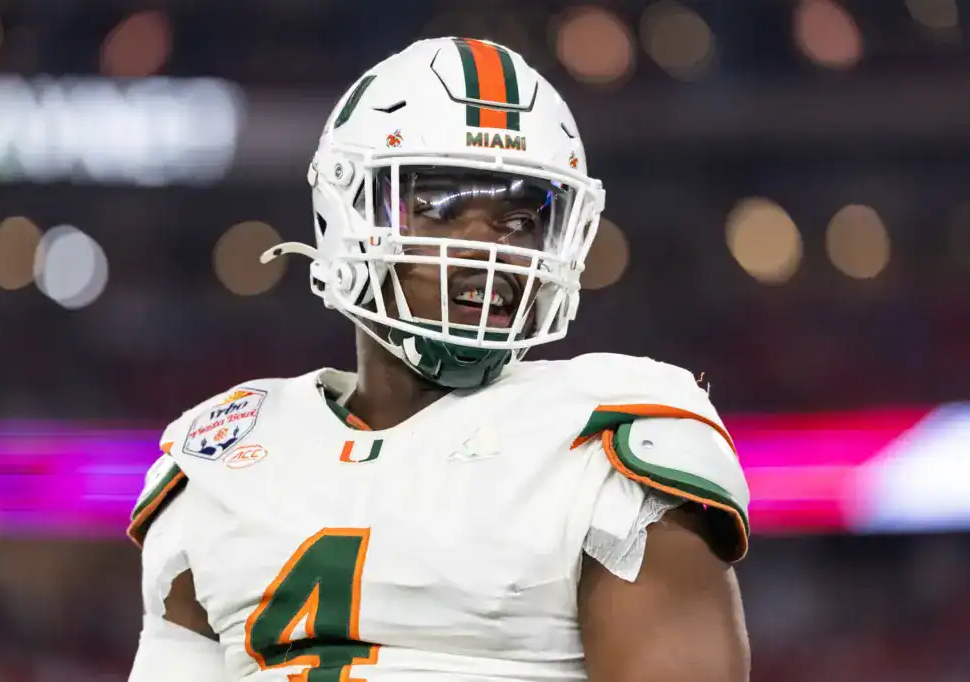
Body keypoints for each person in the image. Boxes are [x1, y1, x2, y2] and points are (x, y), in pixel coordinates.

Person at [127, 37, 751, 682]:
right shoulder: (223, 453)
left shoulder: (608, 442)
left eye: (519, 219)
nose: (488, 247)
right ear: (347, 213)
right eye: (438, 207)